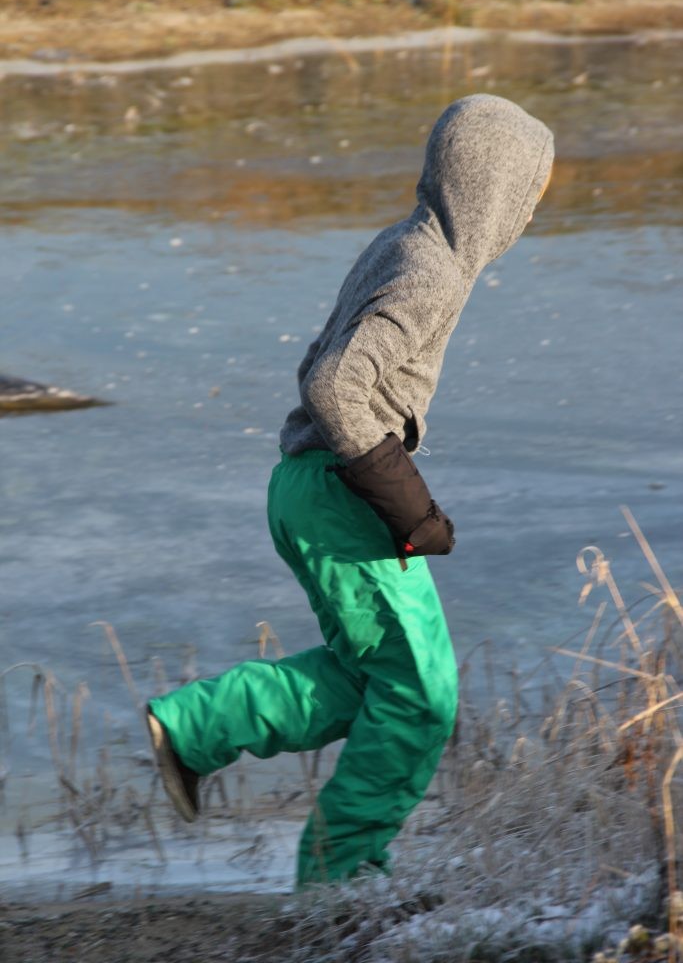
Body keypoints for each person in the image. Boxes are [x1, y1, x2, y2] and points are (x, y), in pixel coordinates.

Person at [146, 93, 555, 888]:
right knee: (422, 697)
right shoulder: (430, 272)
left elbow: (312, 364)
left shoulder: (403, 246)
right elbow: (335, 384)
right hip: (339, 492)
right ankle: (340, 883)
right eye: (529, 192)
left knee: (373, 680)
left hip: (309, 483)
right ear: (493, 187)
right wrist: (405, 500)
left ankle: (194, 729)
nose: (529, 212)